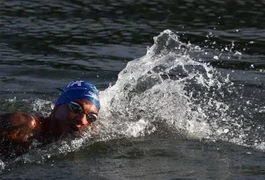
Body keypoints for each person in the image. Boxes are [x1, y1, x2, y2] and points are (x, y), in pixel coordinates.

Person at [0, 80, 100, 157]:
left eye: (91, 117)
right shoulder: (26, 125)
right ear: (58, 105)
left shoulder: (87, 134)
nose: (82, 120)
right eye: (76, 108)